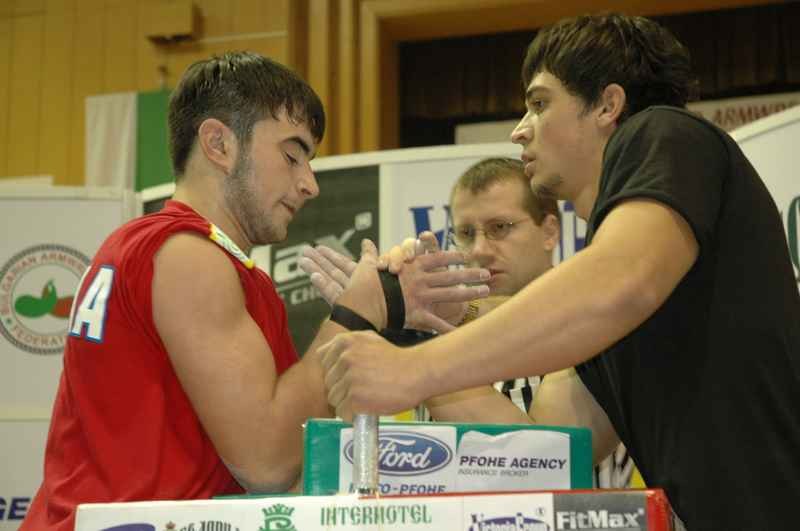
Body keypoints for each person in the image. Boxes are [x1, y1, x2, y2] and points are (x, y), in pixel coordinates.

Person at [318, 13, 800, 531]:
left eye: (540, 103)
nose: (519, 129)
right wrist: (419, 332)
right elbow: (546, 450)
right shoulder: (612, 301)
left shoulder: (665, 132)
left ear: (608, 105)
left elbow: (619, 282)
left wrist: (414, 369)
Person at [22, 51, 489, 530]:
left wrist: (379, 322)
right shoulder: (187, 255)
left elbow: (286, 458)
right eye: (292, 156)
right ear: (219, 143)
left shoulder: (170, 250)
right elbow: (267, 462)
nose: (309, 184)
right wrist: (356, 313)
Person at [303, 156, 635, 487]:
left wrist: (417, 341)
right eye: (465, 232)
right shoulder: (439, 331)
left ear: (549, 231)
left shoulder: (597, 322)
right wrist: (388, 318)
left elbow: (536, 467)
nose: (480, 250)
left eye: (500, 228)